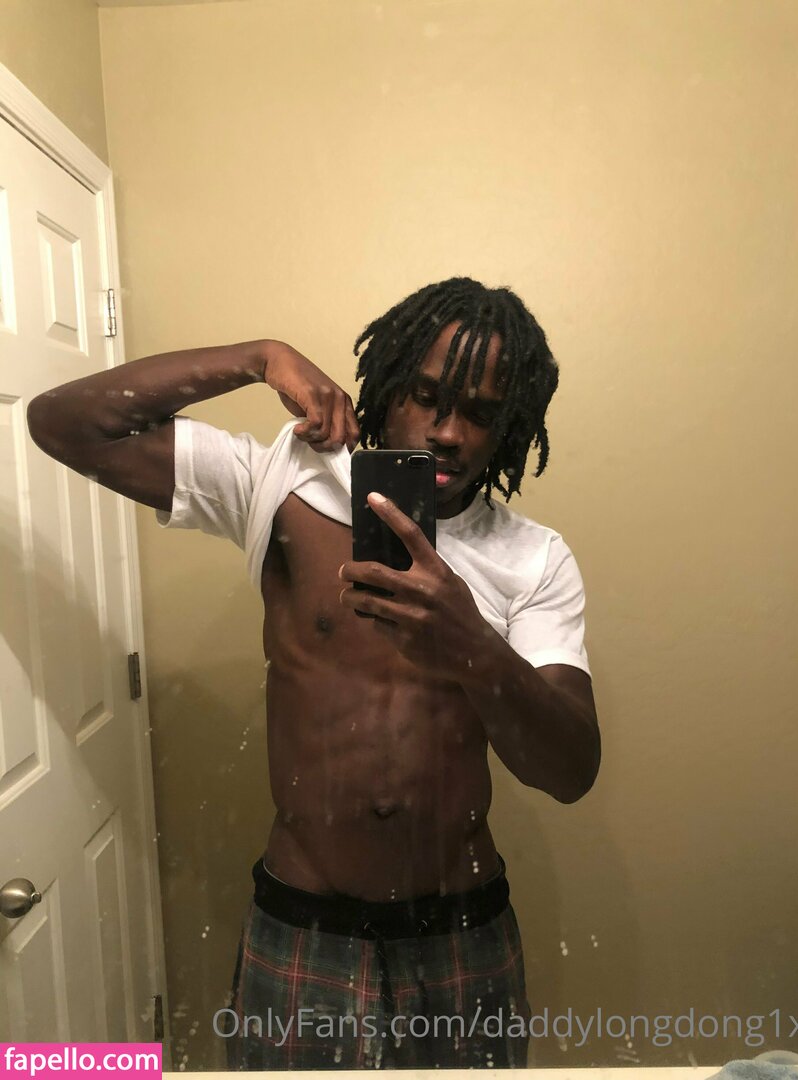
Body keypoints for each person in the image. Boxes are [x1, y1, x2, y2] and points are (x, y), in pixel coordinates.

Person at [27, 276, 600, 1070]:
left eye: (480, 412)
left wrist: (469, 643)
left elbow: (571, 771)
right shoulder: (284, 482)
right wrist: (259, 357)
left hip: (460, 931)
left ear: (510, 425)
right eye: (427, 396)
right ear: (386, 387)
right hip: (304, 924)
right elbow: (61, 423)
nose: (447, 432)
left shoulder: (532, 559)